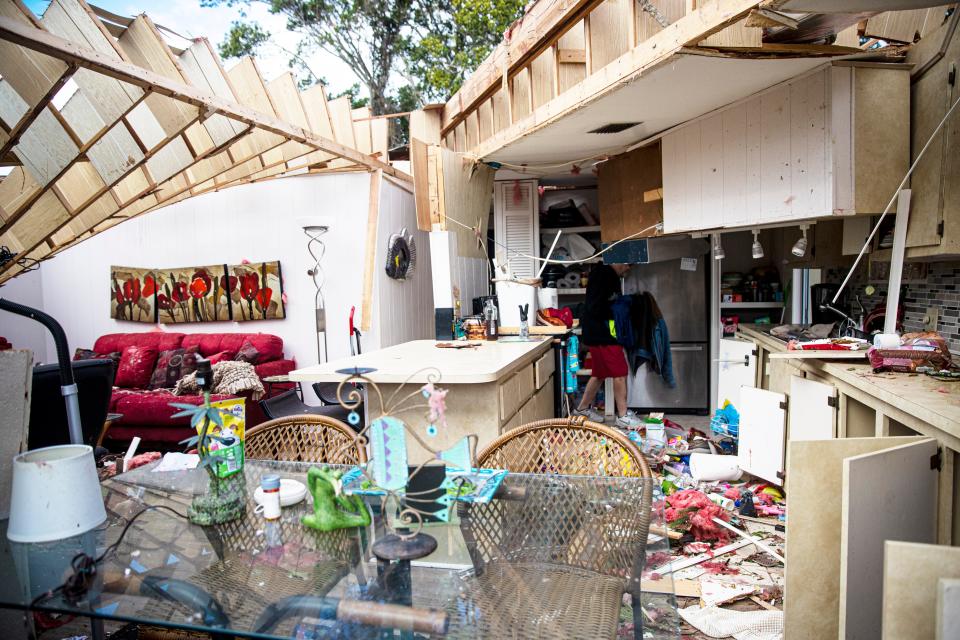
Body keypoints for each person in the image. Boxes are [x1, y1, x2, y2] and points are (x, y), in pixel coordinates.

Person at [574, 262, 642, 429]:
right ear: (617, 261)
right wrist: (620, 308)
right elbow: (596, 307)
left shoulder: (604, 274)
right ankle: (623, 416)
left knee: (599, 373)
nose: (628, 269)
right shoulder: (604, 274)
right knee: (620, 372)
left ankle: (581, 410)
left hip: (596, 332)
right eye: (628, 265)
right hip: (602, 334)